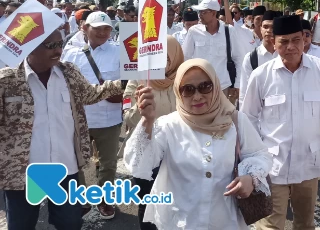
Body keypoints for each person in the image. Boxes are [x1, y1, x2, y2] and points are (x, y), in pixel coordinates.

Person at [124, 58, 272, 229]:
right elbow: (140, 165)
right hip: (180, 223)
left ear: (215, 86)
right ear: (178, 92)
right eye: (187, 90)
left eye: (205, 86)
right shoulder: (168, 125)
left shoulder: (236, 121)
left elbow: (260, 155)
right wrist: (147, 121)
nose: (197, 96)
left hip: (224, 221)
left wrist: (251, 178)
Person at [241, 15, 320, 230]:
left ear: (305, 40)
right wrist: (252, 161)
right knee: (270, 226)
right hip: (272, 167)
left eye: (296, 40)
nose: (291, 47)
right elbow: (248, 118)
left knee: (305, 224)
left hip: (308, 165)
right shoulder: (261, 76)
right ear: (274, 42)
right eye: (283, 41)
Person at [0, 29, 124, 230]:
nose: (58, 50)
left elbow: (90, 95)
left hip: (65, 168)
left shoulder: (69, 73)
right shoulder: (7, 80)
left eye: (60, 44)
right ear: (30, 47)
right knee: (21, 225)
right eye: (50, 45)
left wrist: (124, 84)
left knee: (70, 222)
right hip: (23, 172)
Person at [61, 12, 122, 219]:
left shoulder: (120, 51)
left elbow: (131, 81)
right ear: (84, 28)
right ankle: (80, 200)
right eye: (98, 28)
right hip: (78, 119)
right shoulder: (70, 53)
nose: (103, 32)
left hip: (109, 118)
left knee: (108, 164)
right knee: (75, 161)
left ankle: (105, 199)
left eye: (107, 28)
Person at [121, 36, 185, 230]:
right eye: (156, 57)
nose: (160, 63)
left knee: (178, 204)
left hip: (179, 153)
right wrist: (142, 112)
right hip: (147, 151)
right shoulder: (139, 78)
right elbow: (127, 116)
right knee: (148, 204)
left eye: (165, 58)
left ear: (174, 56)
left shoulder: (186, 78)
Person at [183, 0, 244, 104]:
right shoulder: (194, 32)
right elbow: (185, 58)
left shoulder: (229, 31)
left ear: (214, 13)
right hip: (198, 87)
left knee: (223, 119)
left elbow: (238, 58)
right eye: (199, 12)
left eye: (203, 12)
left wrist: (237, 84)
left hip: (223, 87)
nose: (200, 15)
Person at [239, 10, 278, 106]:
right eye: (265, 27)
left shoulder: (286, 56)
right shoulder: (251, 58)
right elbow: (244, 93)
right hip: (259, 115)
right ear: (260, 29)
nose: (269, 30)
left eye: (273, 27)